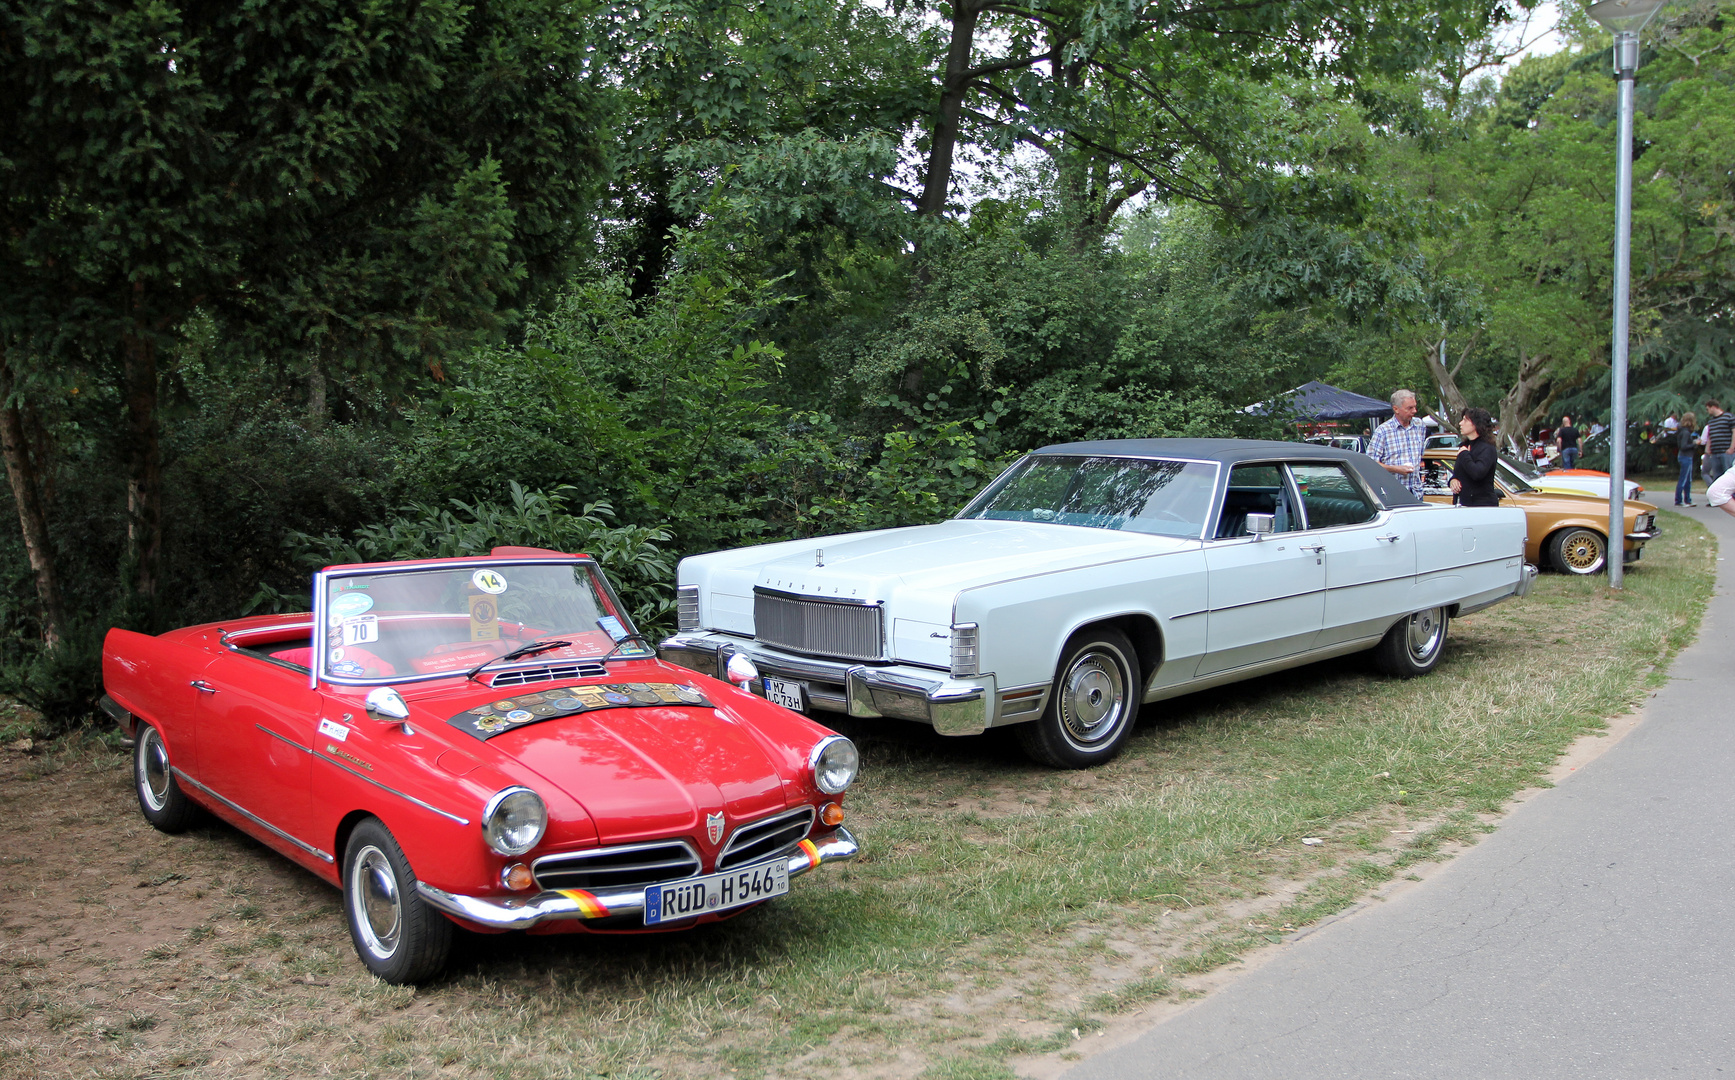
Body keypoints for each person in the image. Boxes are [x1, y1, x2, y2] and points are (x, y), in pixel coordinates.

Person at [1367, 389, 1426, 497]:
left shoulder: (1419, 426)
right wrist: (1396, 469)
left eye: (1415, 407)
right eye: (1410, 408)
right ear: (1396, 409)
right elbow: (1370, 463)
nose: (1414, 411)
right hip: (1392, 493)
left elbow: (1420, 456)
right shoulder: (1383, 431)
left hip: (1416, 493)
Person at [1449, 408, 1501, 507]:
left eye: (1465, 420)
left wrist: (1464, 455)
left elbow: (1477, 473)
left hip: (1482, 505)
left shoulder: (1487, 447)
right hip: (1463, 504)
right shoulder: (1464, 446)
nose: (1460, 423)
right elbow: (1460, 473)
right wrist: (1453, 480)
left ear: (1476, 424)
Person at [1675, 411, 1700, 506]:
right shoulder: (1685, 433)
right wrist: (1694, 443)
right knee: (1684, 479)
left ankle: (1687, 499)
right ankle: (1679, 500)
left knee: (1687, 480)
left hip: (1685, 456)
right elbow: (1683, 446)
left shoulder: (1682, 431)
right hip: (1686, 456)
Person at [1706, 401, 1734, 481]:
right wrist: (1708, 448)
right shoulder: (1711, 421)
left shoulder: (1728, 417)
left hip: (1726, 452)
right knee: (1717, 477)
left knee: (1729, 476)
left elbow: (1734, 432)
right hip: (1715, 453)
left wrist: (1732, 447)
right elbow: (1710, 435)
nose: (1707, 411)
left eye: (1708, 409)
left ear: (1713, 407)